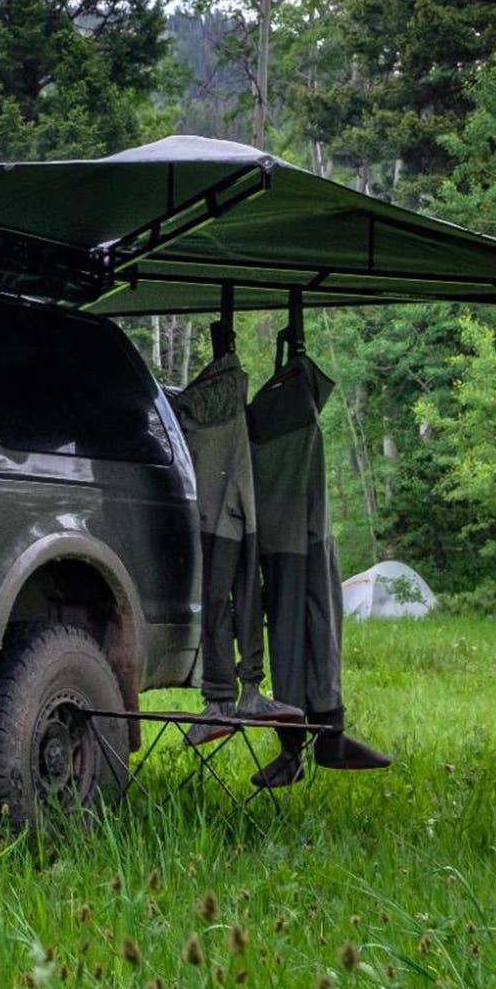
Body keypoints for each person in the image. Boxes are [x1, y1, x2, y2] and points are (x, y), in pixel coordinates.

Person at [246, 338, 392, 787]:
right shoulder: (280, 406)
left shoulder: (281, 402)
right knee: (303, 627)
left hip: (296, 530)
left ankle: (321, 736)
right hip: (289, 531)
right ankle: (307, 741)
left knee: (307, 627)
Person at [174, 317, 303, 747]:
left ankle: (226, 698)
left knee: (225, 594)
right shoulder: (225, 392)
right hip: (232, 503)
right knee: (240, 591)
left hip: (220, 507)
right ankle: (236, 693)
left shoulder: (198, 402)